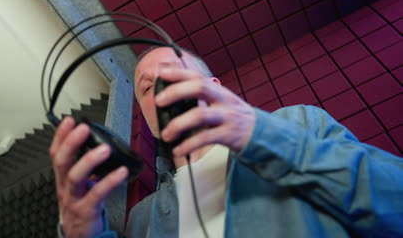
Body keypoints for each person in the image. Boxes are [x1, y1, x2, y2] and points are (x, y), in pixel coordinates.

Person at [51, 47, 403, 238]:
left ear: (215, 87)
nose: (160, 90)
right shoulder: (142, 219)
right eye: (146, 88)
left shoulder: (297, 123)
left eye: (173, 74)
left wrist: (261, 135)